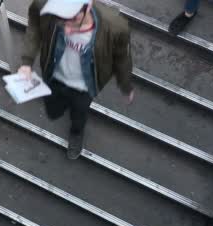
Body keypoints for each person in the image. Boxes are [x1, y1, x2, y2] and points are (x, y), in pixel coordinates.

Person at [19, 0, 134, 160]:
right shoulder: (44, 6)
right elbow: (35, 28)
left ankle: (76, 132)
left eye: (72, 20)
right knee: (54, 107)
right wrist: (27, 61)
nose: (66, 28)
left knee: (79, 113)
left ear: (88, 7)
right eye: (61, 19)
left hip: (84, 87)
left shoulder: (115, 28)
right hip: (54, 76)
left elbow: (122, 59)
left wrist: (125, 84)